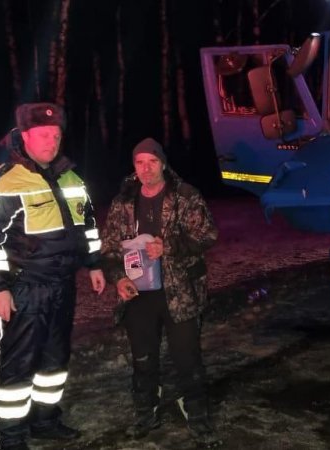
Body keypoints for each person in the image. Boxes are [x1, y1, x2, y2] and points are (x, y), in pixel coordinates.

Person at [0, 102, 106, 450]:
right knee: (18, 362)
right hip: (25, 288)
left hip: (63, 285)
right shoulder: (0, 182)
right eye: (43, 134)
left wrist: (94, 264)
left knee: (55, 359)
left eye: (56, 135)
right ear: (24, 136)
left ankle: (46, 420)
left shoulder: (71, 177)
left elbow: (87, 226)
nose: (51, 141)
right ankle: (11, 437)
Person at [100, 137, 221, 448]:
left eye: (152, 161)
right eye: (139, 162)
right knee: (143, 359)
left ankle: (195, 412)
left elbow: (207, 235)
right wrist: (118, 279)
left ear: (163, 164)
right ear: (134, 167)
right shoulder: (123, 202)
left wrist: (170, 247)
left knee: (187, 358)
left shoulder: (185, 196)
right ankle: (145, 412)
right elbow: (110, 248)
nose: (146, 168)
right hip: (138, 295)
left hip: (180, 292)